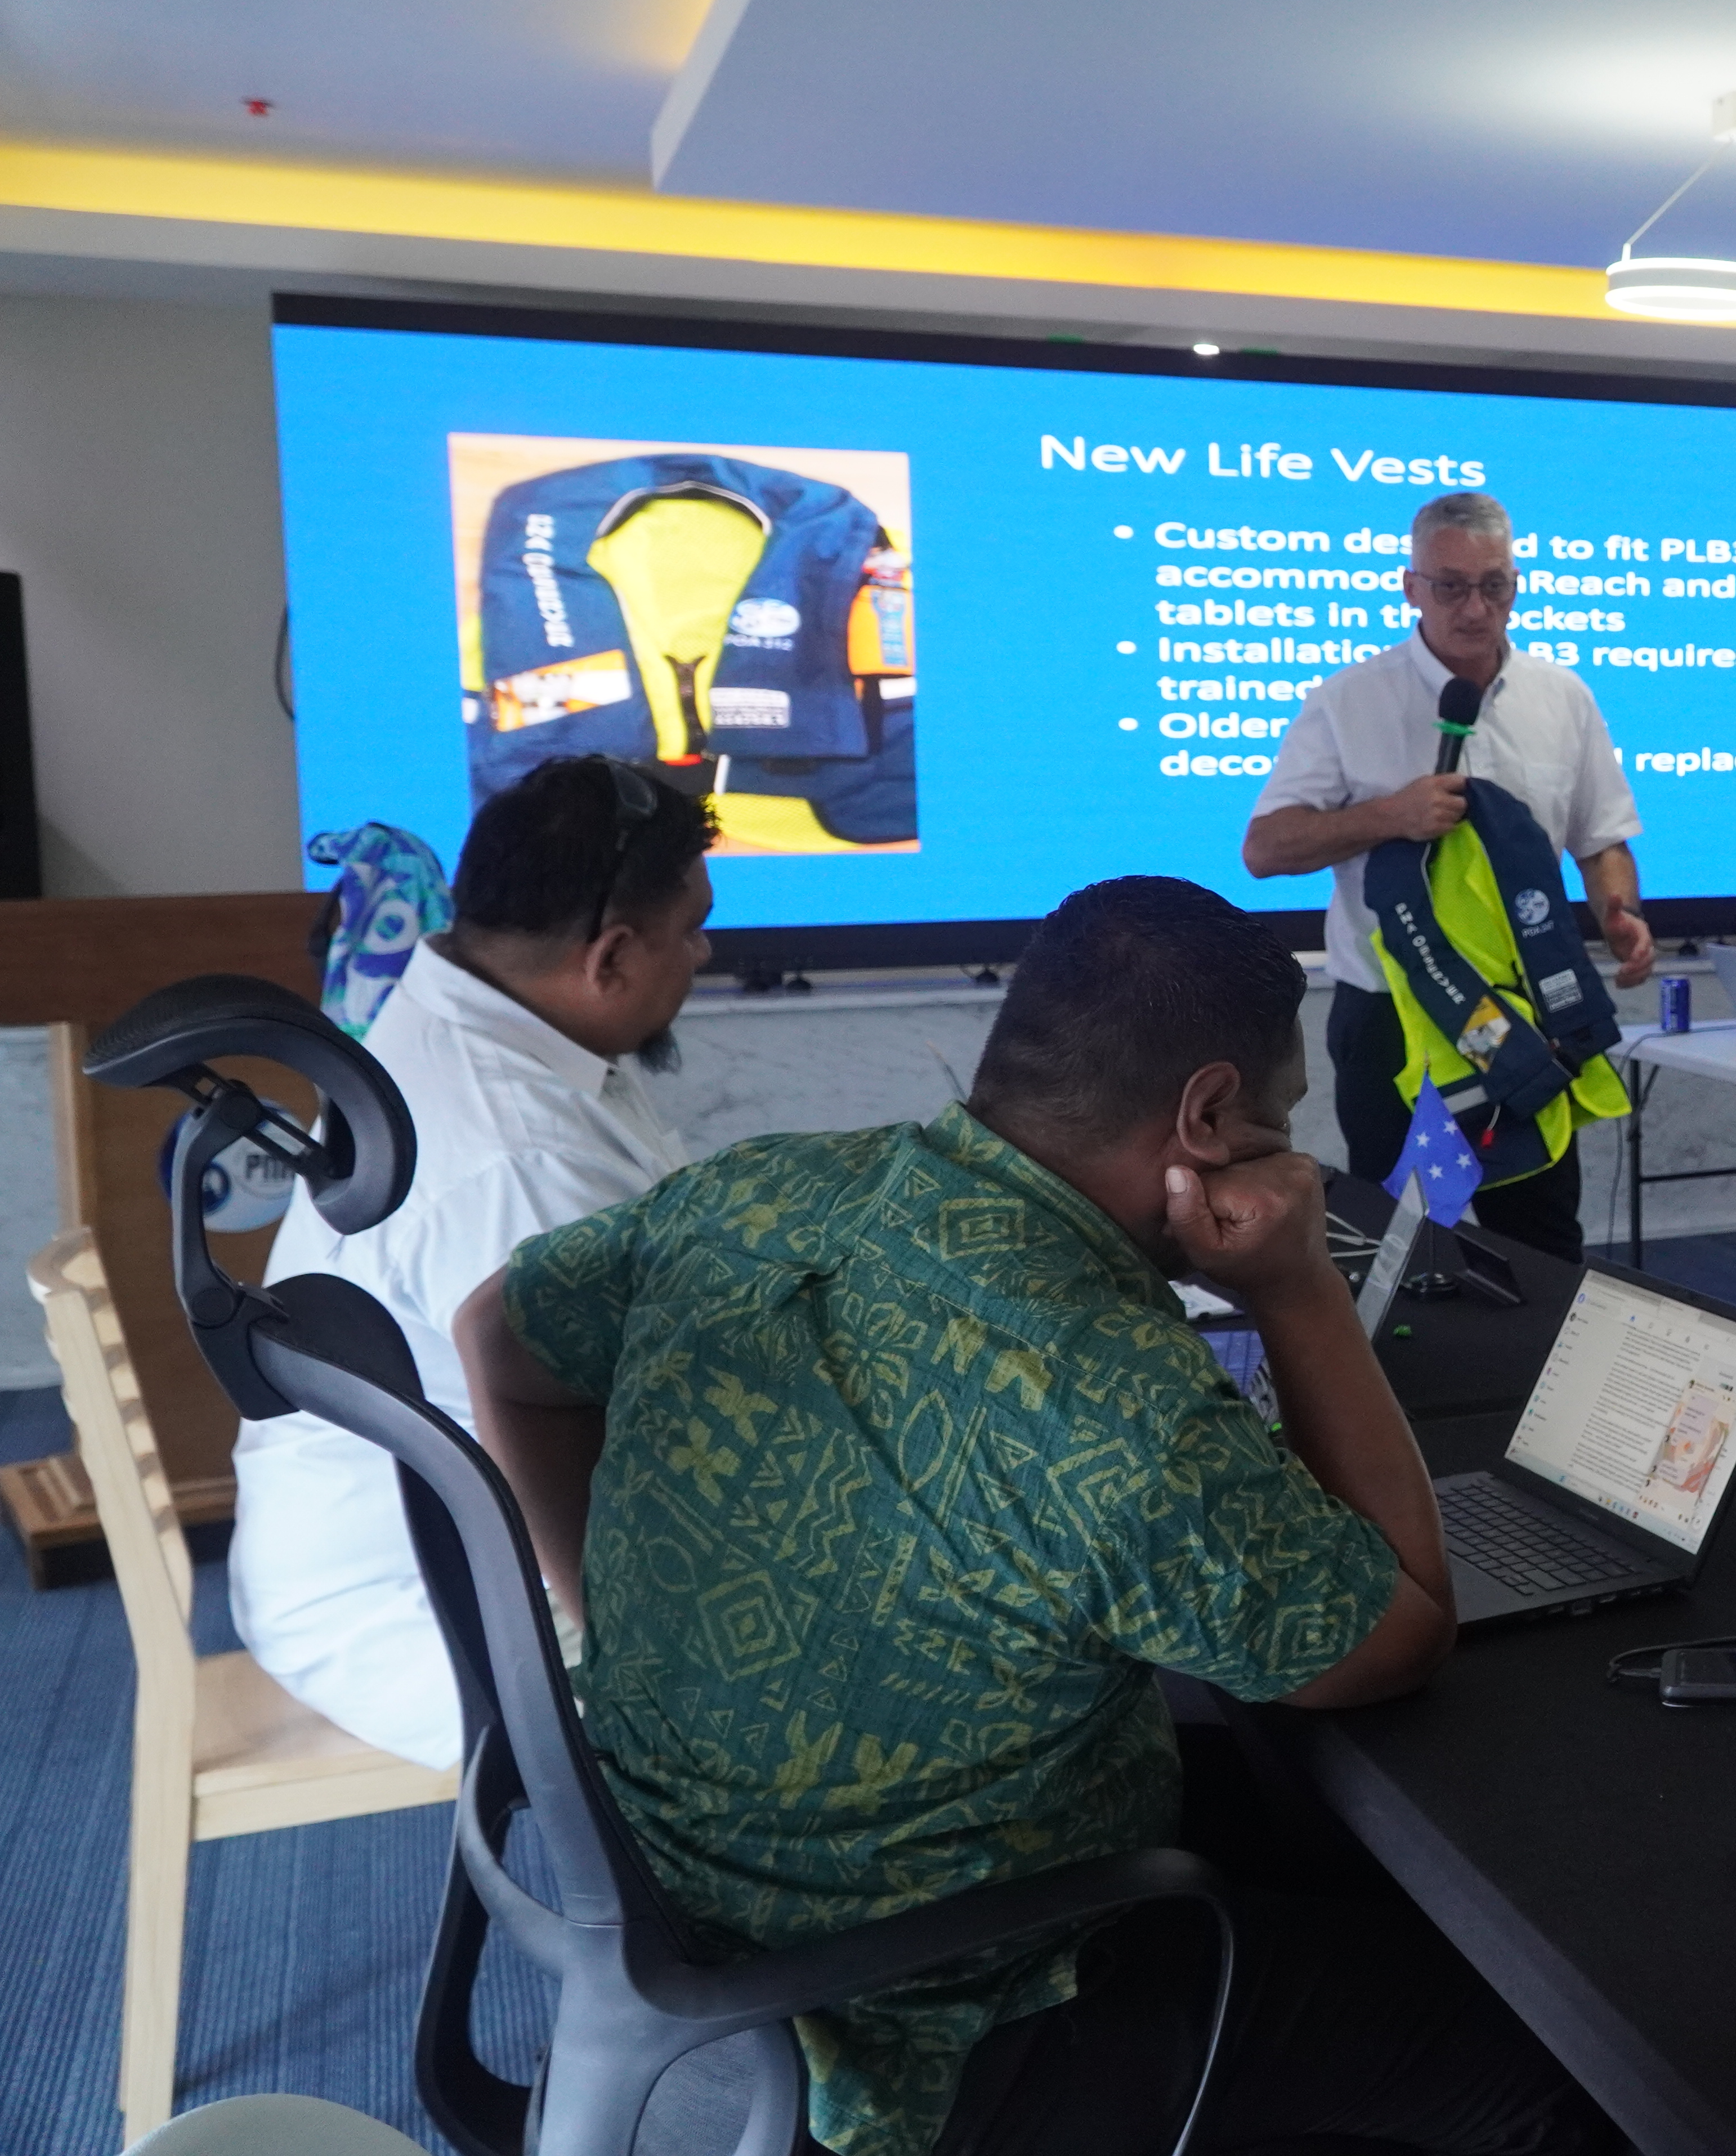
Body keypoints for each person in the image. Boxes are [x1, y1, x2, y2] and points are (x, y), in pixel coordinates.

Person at [453, 876, 1613, 2156]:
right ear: (1208, 1114)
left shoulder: (760, 1190)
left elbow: (497, 1337)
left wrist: (600, 1608)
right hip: (942, 2025)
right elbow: (1401, 1634)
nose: (1286, 1156)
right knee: (1570, 2066)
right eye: (1279, 1121)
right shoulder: (1110, 1395)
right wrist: (1297, 1291)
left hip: (674, 1893)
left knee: (1294, 1829)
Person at [229, 754, 713, 1769]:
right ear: (612, 957)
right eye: (692, 930)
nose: (704, 956)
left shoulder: (480, 1023)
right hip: (429, 1604)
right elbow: (636, 1458)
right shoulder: (515, 1157)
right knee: (908, 1661)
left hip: (404, 1541)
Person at [1243, 490, 1652, 1258]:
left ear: (1517, 584)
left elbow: (1601, 839)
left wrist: (1619, 910)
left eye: (1493, 585)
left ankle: (1537, 1376)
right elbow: (1267, 849)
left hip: (1524, 1023)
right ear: (1411, 588)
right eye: (1450, 586)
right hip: (1392, 1021)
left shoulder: (1562, 697)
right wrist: (1387, 816)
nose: (1474, 607)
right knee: (1391, 1240)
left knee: (1541, 1240)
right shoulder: (1348, 700)